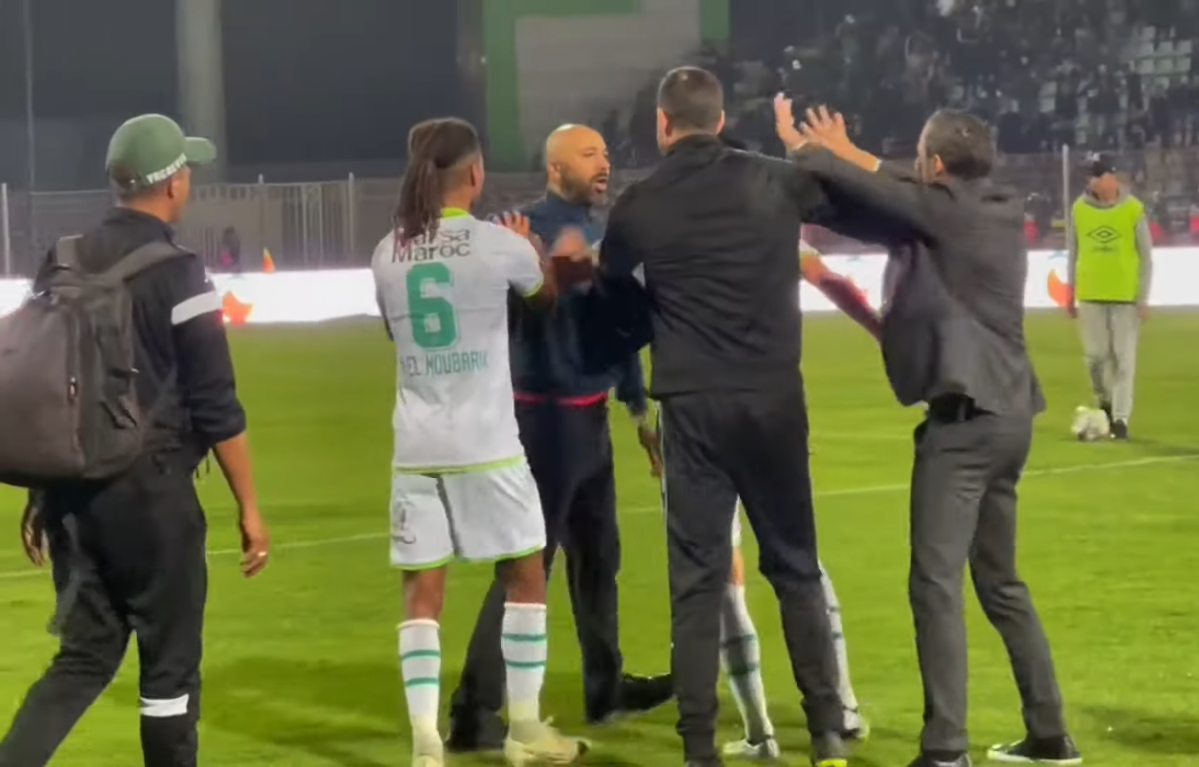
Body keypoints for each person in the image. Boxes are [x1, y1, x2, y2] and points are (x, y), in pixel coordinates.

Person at [777, 101, 1081, 767]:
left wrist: (810, 153)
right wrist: (845, 160)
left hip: (966, 422)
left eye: (921, 159)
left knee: (934, 584)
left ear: (935, 164)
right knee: (1000, 582)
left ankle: (944, 747)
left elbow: (887, 192)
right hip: (1009, 416)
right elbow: (893, 195)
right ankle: (1050, 732)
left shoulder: (941, 211)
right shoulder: (991, 205)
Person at [587, 66, 850, 767]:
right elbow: (848, 202)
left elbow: (612, 305)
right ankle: (826, 733)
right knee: (794, 566)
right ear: (722, 119)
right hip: (772, 398)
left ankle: (699, 746)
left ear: (662, 124)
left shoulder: (638, 203)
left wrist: (653, 319)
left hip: (692, 404)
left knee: (698, 581)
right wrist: (820, 151)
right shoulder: (776, 181)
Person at [0, 113, 270, 767]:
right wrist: (250, 509)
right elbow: (217, 405)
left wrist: (43, 492)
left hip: (74, 498)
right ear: (172, 183)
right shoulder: (181, 273)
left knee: (83, 658)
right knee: (169, 675)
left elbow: (49, 383)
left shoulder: (64, 257)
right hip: (153, 501)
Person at [371, 116, 589, 767]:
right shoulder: (498, 245)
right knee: (526, 572)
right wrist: (534, 247)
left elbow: (394, 330)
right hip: (487, 443)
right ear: (474, 173)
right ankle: (524, 728)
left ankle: (425, 744)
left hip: (416, 448)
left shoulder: (387, 252)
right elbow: (544, 296)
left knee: (422, 594)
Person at [448, 123, 671, 752]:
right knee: (527, 563)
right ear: (555, 168)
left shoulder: (606, 233)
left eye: (605, 153)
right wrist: (539, 264)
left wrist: (637, 408)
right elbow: (486, 307)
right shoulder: (516, 228)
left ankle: (606, 688)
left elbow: (618, 326)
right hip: (543, 421)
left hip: (591, 416)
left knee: (600, 559)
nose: (604, 163)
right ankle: (474, 711)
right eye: (588, 154)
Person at [720, 233, 875, 763]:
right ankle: (839, 710)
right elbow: (825, 277)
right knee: (799, 564)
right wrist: (881, 328)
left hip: (700, 413)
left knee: (721, 570)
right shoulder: (774, 221)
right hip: (774, 408)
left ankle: (760, 732)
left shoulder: (675, 219)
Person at [1066, 152, 1152, 440]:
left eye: (1096, 175)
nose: (1091, 181)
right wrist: (1070, 290)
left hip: (1125, 296)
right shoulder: (1079, 209)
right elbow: (1073, 251)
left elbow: (1146, 257)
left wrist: (1143, 296)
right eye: (1089, 176)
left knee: (1124, 360)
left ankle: (1120, 419)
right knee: (1095, 358)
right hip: (1091, 294)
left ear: (1111, 177)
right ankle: (1103, 400)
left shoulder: (1133, 209)